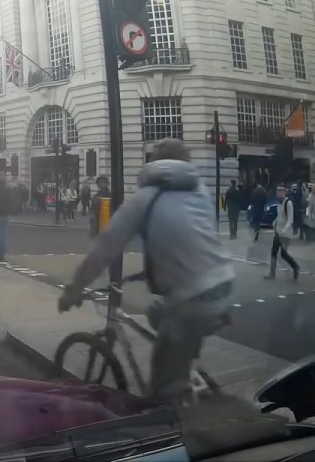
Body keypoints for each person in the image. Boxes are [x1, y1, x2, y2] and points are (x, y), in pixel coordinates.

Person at [57, 139, 234, 404]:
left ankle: (173, 419)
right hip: (224, 286)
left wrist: (74, 288)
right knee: (157, 313)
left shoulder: (145, 198)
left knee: (162, 386)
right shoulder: (199, 189)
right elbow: (190, 240)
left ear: (152, 162)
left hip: (192, 298)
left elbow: (106, 248)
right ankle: (187, 376)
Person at [265, 184, 300, 282]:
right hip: (278, 232)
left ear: (285, 192)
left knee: (283, 254)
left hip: (286, 234)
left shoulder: (288, 203)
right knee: (273, 252)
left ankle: (296, 267)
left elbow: (290, 220)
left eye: (281, 191)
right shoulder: (279, 203)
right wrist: (275, 221)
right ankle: (272, 274)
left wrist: (284, 230)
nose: (279, 193)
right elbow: (279, 216)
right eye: (277, 191)